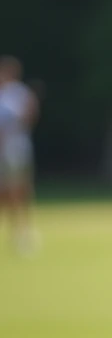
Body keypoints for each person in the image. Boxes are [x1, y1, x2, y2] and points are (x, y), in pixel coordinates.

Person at [0, 56, 40, 253]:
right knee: (4, 193)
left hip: (15, 148)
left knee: (19, 189)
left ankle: (22, 232)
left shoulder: (20, 93)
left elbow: (28, 118)